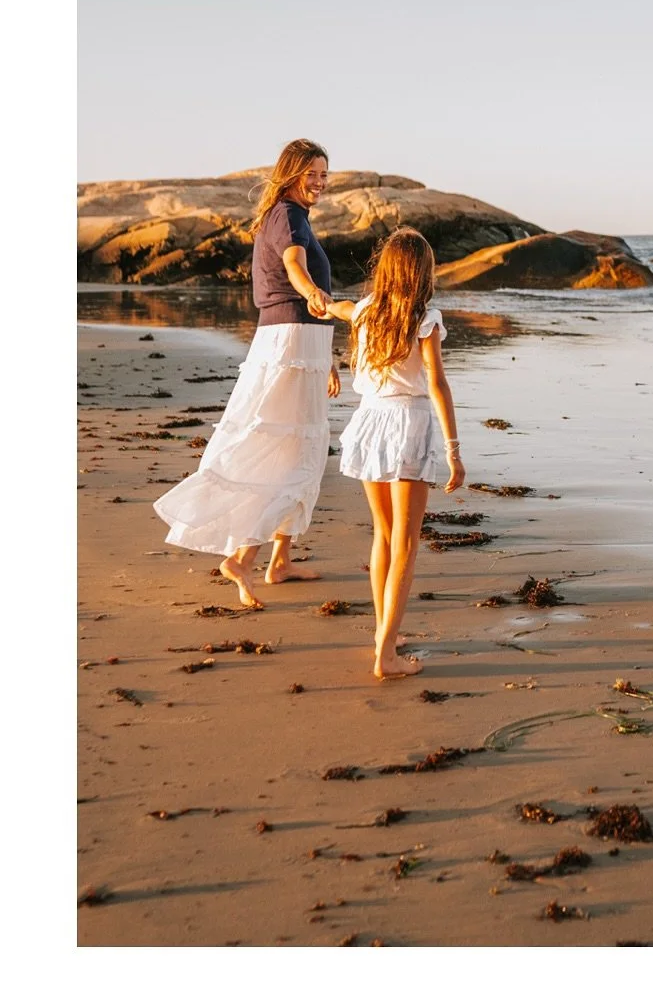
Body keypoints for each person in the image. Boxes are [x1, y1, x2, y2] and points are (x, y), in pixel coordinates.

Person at [153, 139, 340, 608]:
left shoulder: (291, 214)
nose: (319, 182)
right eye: (312, 173)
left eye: (324, 174)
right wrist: (313, 292)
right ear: (292, 173)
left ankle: (280, 560)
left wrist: (330, 356)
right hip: (291, 339)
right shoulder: (288, 216)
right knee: (286, 451)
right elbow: (294, 267)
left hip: (303, 340)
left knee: (300, 447)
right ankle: (244, 557)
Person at [317, 228, 465, 679]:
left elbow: (335, 306)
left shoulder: (365, 312)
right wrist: (455, 450)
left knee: (383, 535)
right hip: (408, 424)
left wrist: (315, 298)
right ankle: (385, 655)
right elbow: (437, 383)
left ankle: (386, 632)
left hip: (369, 422)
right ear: (422, 272)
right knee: (405, 542)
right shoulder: (425, 317)